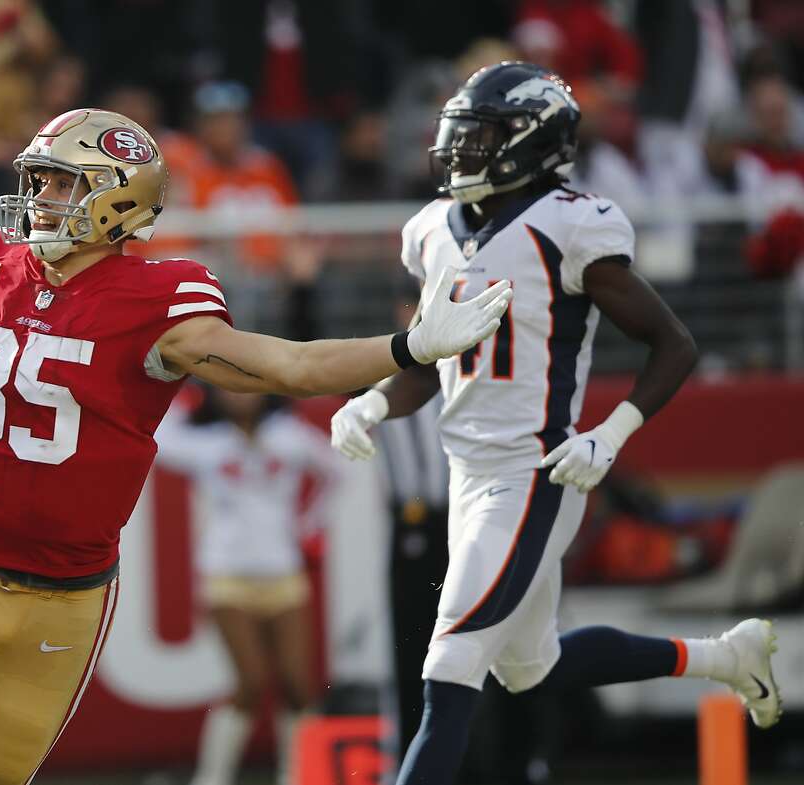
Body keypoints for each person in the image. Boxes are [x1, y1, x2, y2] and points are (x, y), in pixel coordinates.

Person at [0, 107, 512, 785]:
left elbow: (290, 365)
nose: (40, 198)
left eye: (59, 183)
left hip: (62, 598)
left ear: (116, 198)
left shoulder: (158, 303)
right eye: (39, 180)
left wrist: (408, 346)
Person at [328, 62, 782, 785]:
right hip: (469, 474)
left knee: (447, 669)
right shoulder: (432, 230)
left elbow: (675, 343)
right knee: (530, 666)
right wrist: (375, 401)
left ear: (529, 143)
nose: (459, 151)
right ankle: (724, 656)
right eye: (459, 135)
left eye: (480, 138)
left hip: (534, 471)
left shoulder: (570, 225)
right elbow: (429, 356)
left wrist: (613, 430)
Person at [156, 388, 331, 785]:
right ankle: (212, 778)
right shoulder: (207, 443)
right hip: (226, 576)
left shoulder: (288, 434)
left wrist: (311, 525)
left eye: (247, 383)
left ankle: (299, 777)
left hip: (283, 574)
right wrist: (175, 395)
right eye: (228, 386)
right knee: (250, 682)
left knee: (297, 685)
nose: (238, 395)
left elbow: (338, 469)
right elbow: (161, 441)